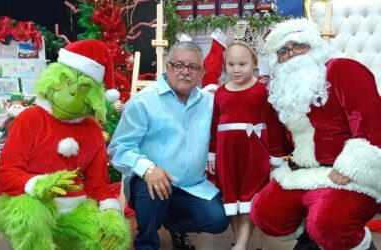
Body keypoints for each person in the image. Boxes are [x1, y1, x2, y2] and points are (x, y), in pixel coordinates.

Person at [250, 18, 381, 250]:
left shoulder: (342, 69)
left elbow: (372, 121)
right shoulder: (283, 91)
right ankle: (312, 238)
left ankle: (358, 245)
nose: (291, 54)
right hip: (303, 171)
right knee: (265, 213)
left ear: (313, 47)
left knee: (328, 223)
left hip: (344, 172)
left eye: (298, 46)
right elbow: (282, 139)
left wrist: (353, 166)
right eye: (283, 50)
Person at [0, 39, 131, 250]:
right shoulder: (31, 118)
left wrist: (110, 212)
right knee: (30, 216)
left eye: (83, 87)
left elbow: (97, 184)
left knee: (108, 238)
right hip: (23, 198)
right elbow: (7, 174)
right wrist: (40, 185)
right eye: (67, 80)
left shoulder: (92, 131)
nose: (73, 92)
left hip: (72, 207)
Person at [108, 41, 229, 250]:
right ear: (168, 67)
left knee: (218, 220)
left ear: (201, 72)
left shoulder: (210, 103)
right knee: (152, 189)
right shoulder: (144, 102)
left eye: (192, 67)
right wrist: (147, 168)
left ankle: (174, 225)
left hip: (192, 186)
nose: (185, 72)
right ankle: (146, 243)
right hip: (151, 183)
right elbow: (119, 149)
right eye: (179, 65)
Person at [207, 21, 282, 250]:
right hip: (227, 154)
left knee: (250, 196)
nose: (236, 69)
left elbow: (273, 124)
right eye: (231, 64)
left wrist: (275, 158)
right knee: (232, 198)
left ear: (254, 63)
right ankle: (238, 238)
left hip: (253, 153)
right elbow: (214, 125)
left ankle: (240, 245)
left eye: (242, 64)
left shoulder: (261, 91)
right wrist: (211, 155)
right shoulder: (220, 93)